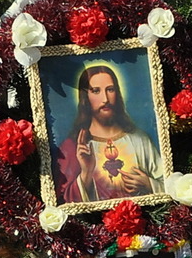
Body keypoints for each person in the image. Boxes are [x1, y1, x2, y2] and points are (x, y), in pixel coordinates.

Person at [53, 62, 166, 204]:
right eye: (96, 91)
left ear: (117, 93)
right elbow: (63, 203)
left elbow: (168, 185)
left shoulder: (140, 139)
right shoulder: (72, 147)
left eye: (110, 89)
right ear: (85, 97)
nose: (105, 99)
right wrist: (86, 173)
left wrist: (149, 184)